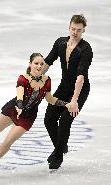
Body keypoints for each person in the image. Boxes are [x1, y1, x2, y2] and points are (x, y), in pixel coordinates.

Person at [0, 53, 70, 178]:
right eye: (36, 63)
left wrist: (65, 104)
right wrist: (19, 106)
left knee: (7, 142)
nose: (39, 66)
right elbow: (20, 94)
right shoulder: (23, 78)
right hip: (13, 110)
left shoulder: (47, 80)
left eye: (41, 64)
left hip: (28, 117)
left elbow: (49, 98)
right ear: (30, 64)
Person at [43, 14, 93, 169]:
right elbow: (48, 61)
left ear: (83, 30)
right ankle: (61, 146)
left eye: (78, 30)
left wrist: (74, 101)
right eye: (73, 28)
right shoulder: (60, 42)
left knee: (65, 120)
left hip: (80, 90)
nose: (75, 32)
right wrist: (35, 76)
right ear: (69, 27)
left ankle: (58, 156)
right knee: (49, 119)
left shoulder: (85, 49)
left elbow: (80, 78)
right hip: (64, 86)